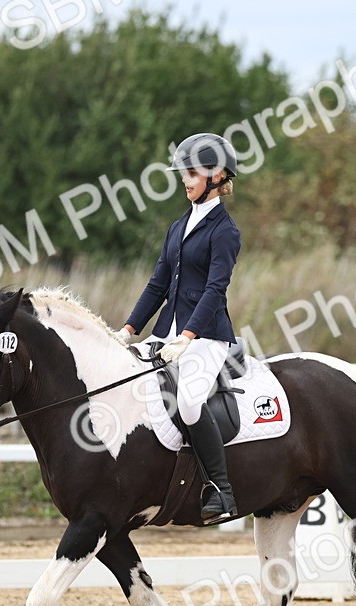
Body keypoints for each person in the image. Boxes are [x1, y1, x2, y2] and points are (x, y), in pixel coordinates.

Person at [117, 133, 241, 524]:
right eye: (183, 173)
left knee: (187, 401)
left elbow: (215, 289)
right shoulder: (177, 226)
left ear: (216, 176)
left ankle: (221, 490)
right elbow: (158, 284)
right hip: (165, 334)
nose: (184, 180)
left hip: (207, 337)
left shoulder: (225, 231)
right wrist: (128, 330)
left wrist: (188, 337)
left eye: (192, 173)